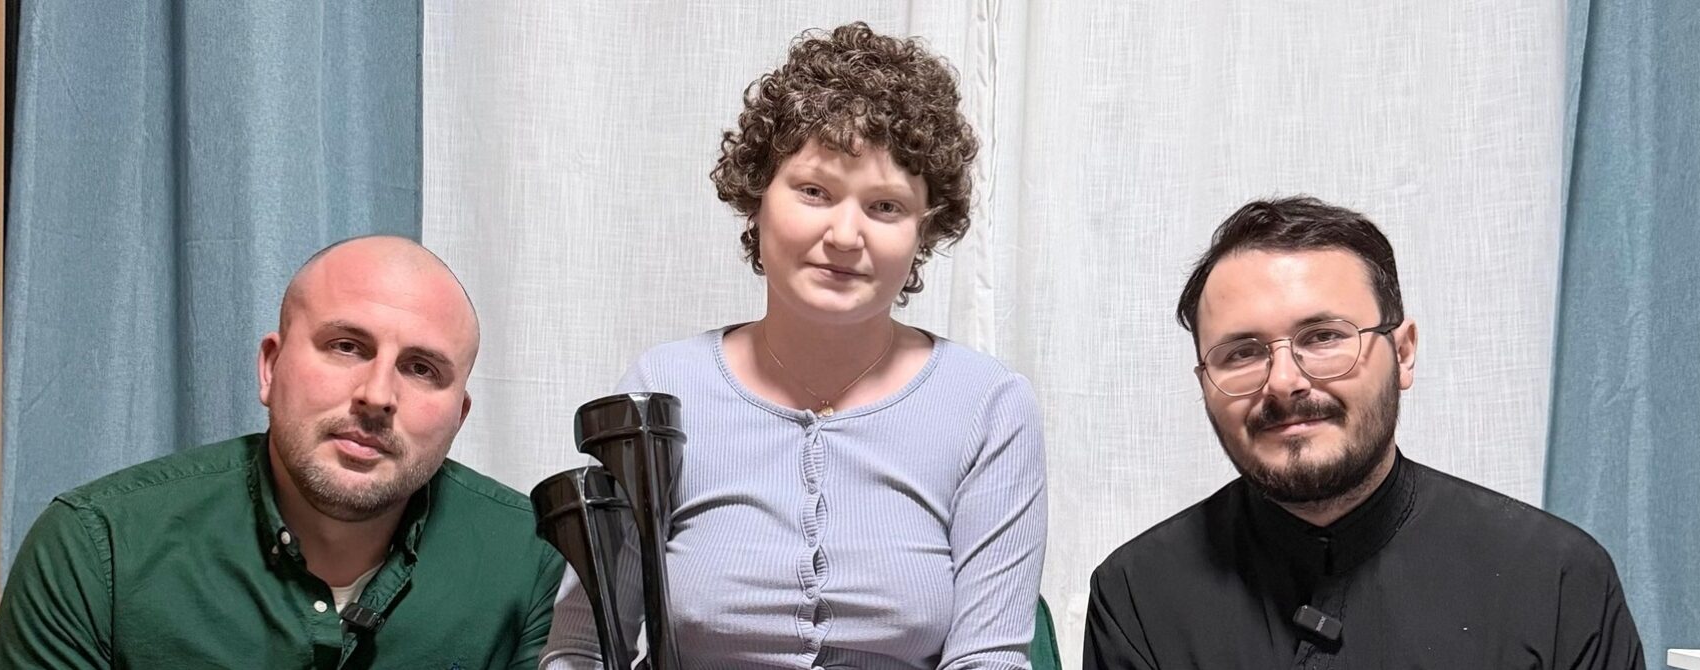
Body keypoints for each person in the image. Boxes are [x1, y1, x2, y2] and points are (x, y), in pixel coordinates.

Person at [541, 22, 1048, 669]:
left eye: (886, 207)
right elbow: (581, 646)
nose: (845, 235)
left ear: (925, 230)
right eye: (814, 192)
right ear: (757, 195)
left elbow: (989, 658)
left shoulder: (989, 406)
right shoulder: (663, 387)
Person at [1082, 197, 1643, 668]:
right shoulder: (1138, 595)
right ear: (1205, 381)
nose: (1284, 382)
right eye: (1242, 353)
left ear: (1403, 353)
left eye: (1324, 337)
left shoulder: (1556, 581)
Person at [0, 236, 565, 669]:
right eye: (346, 346)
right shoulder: (98, 549)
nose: (377, 395)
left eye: (421, 368)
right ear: (270, 367)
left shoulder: (538, 559)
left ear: (458, 417)